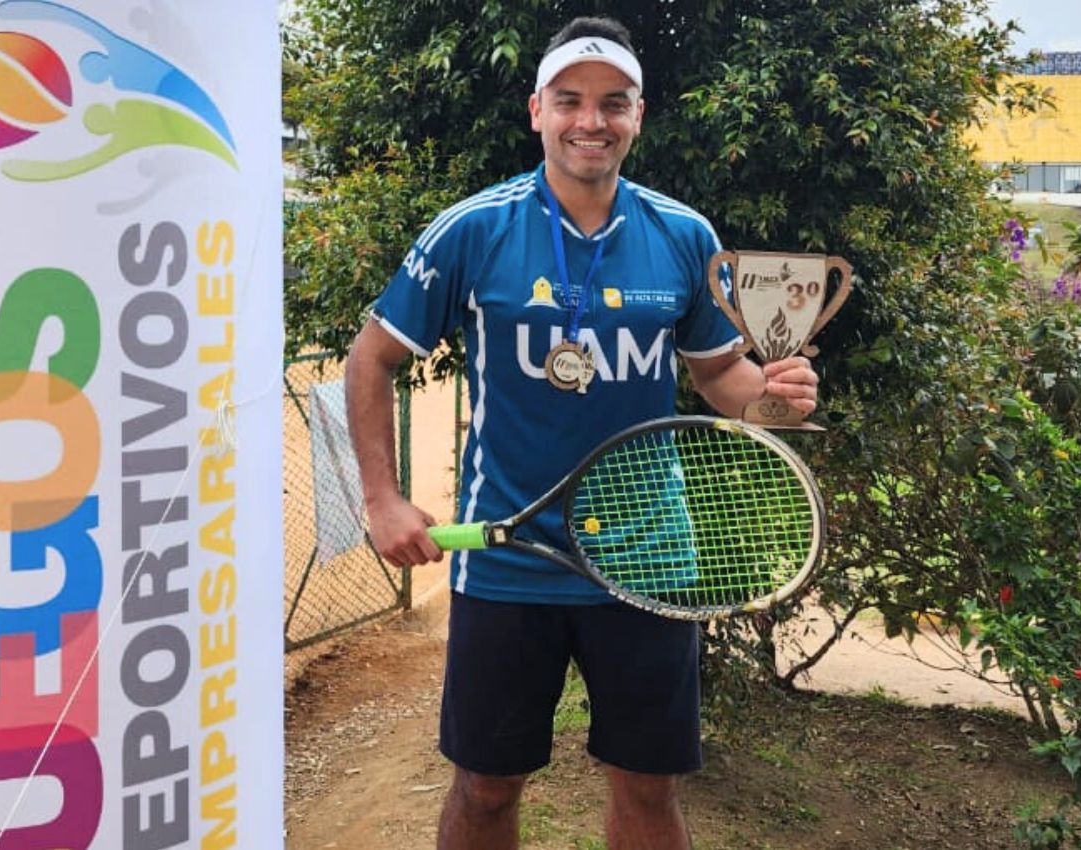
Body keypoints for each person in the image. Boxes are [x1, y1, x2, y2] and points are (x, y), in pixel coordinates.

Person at [346, 16, 819, 850]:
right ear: (537, 110)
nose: (590, 120)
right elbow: (370, 358)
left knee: (649, 791)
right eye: (569, 100)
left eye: (612, 103)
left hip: (649, 559)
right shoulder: (473, 230)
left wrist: (775, 396)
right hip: (508, 558)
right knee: (485, 790)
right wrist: (382, 499)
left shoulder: (684, 236)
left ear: (638, 116)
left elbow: (720, 376)